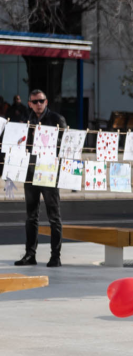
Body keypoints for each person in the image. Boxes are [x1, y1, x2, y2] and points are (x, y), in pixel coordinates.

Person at [16, 90, 67, 268]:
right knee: (31, 216)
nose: (39, 104)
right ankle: (30, 254)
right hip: (29, 172)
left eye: (42, 101)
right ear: (30, 103)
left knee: (54, 217)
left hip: (48, 172)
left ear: (46, 102)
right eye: (35, 101)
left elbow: (66, 144)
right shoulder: (25, 120)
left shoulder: (56, 119)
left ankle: (56, 256)